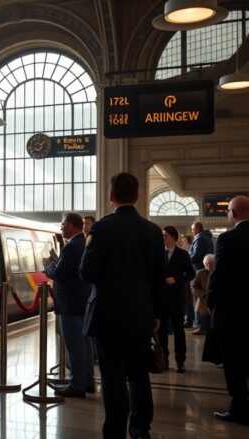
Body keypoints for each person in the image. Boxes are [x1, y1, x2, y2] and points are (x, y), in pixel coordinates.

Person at [79, 172, 165, 439]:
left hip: (108, 318)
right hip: (141, 316)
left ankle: (115, 431)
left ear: (110, 196)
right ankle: (140, 429)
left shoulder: (102, 228)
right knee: (139, 375)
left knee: (113, 377)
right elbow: (158, 277)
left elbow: (87, 273)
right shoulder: (152, 231)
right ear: (137, 196)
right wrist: (156, 315)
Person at [208, 195, 249, 425]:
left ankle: (239, 408)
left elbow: (218, 276)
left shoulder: (227, 239)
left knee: (234, 362)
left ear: (232, 214)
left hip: (232, 314)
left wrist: (212, 303)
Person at [43, 212, 93, 398]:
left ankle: (77, 384)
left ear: (71, 225)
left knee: (75, 345)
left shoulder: (72, 246)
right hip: (81, 301)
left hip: (71, 303)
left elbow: (61, 273)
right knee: (85, 343)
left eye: (63, 224)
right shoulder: (82, 242)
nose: (61, 227)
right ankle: (87, 381)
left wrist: (48, 266)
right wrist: (58, 263)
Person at [158, 226, 195, 373]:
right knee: (161, 332)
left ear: (173, 237)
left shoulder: (182, 255)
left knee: (179, 331)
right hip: (161, 298)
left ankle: (180, 361)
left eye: (165, 235)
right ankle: (164, 359)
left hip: (177, 298)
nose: (163, 238)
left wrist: (177, 279)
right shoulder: (159, 254)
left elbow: (191, 274)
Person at [190, 254, 213, 336]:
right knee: (201, 302)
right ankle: (200, 327)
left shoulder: (217, 272)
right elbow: (193, 286)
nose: (208, 265)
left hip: (214, 296)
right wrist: (203, 295)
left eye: (210, 263)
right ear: (204, 263)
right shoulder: (200, 273)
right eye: (206, 263)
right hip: (203, 297)